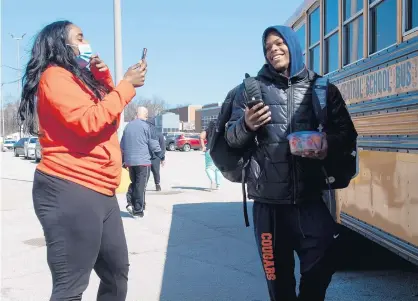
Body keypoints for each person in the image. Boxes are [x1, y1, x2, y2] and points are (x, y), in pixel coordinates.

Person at [225, 25, 357, 301]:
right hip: (268, 207)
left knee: (323, 262)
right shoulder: (250, 90)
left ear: (293, 45)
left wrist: (326, 145)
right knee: (278, 283)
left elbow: (347, 133)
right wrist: (246, 125)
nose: (272, 49)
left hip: (309, 200)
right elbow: (231, 138)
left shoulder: (321, 88)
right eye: (267, 47)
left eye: (278, 43)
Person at [18, 21, 147, 300]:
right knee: (71, 287)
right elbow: (89, 121)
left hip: (102, 188)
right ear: (60, 45)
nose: (85, 42)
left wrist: (104, 80)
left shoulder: (78, 80)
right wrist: (125, 86)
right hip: (70, 186)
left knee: (116, 273)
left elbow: (108, 118)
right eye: (79, 37)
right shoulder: (54, 77)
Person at [121, 107, 161, 218]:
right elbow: (153, 143)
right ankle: (138, 210)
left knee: (134, 182)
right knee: (141, 186)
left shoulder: (128, 126)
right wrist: (160, 155)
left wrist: (124, 159)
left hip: (130, 161)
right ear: (145, 115)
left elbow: (122, 145)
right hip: (143, 161)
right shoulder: (146, 126)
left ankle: (130, 202)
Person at [200, 121, 222, 190]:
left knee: (208, 168)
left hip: (209, 150)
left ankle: (212, 180)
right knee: (218, 169)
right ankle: (218, 185)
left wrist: (203, 146)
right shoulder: (220, 130)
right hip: (219, 151)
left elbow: (201, 136)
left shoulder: (208, 130)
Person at [146, 117, 166, 191]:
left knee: (146, 173)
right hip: (156, 156)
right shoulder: (158, 132)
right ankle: (157, 185)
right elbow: (162, 146)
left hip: (146, 155)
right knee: (156, 171)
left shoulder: (144, 131)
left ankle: (144, 186)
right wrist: (162, 157)